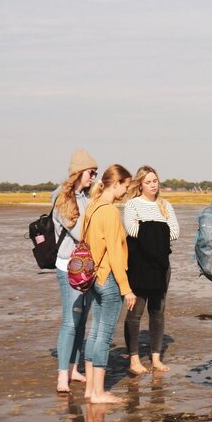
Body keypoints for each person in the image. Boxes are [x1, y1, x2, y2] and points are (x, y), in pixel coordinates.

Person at [82, 164, 137, 404]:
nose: (126, 191)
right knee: (103, 336)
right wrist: (127, 289)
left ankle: (90, 389)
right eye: (126, 186)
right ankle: (99, 392)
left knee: (94, 332)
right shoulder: (110, 212)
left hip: (92, 277)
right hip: (108, 279)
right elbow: (114, 252)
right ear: (115, 184)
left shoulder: (92, 207)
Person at [122, 165, 180, 375]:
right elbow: (131, 230)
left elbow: (175, 232)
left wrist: (148, 227)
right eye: (148, 182)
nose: (152, 185)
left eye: (155, 181)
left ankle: (156, 357)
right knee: (135, 313)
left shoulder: (166, 205)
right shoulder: (132, 205)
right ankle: (134, 359)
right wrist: (158, 229)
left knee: (158, 312)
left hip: (161, 265)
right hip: (138, 265)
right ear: (140, 184)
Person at [52, 149, 98, 394]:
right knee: (70, 321)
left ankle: (73, 368)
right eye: (91, 172)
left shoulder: (84, 196)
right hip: (67, 267)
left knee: (81, 321)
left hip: (85, 267)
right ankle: (62, 375)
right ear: (79, 172)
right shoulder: (62, 198)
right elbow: (80, 232)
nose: (94, 177)